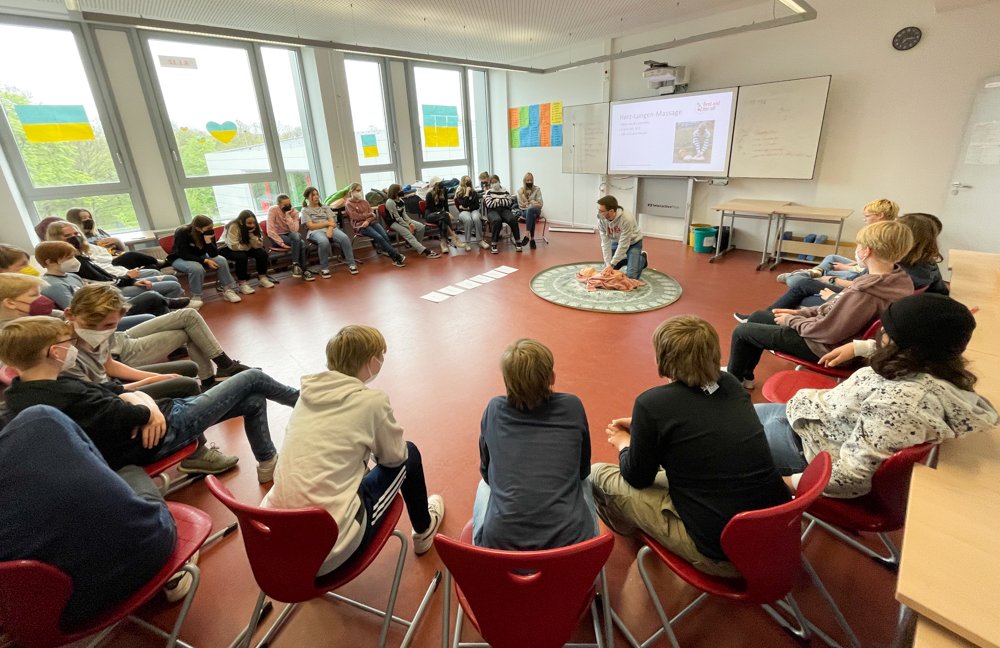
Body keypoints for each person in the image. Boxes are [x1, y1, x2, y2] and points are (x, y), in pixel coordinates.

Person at [590, 316, 791, 577]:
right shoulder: (729, 383)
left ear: (663, 358)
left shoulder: (652, 404)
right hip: (777, 534)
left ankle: (632, 530)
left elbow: (637, 477)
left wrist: (624, 443)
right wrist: (646, 427)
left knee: (598, 474)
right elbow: (696, 422)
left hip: (723, 555)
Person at [756, 293, 998, 498]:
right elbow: (906, 352)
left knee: (721, 443)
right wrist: (860, 347)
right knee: (729, 419)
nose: (880, 335)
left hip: (807, 452)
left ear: (902, 344)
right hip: (813, 421)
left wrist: (787, 484)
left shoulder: (899, 405)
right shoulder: (938, 367)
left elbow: (851, 478)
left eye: (886, 333)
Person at [0, 316, 299, 482]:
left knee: (254, 399)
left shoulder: (27, 389)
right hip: (159, 436)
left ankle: (267, 462)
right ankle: (310, 402)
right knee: (251, 378)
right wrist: (145, 408)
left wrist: (140, 399)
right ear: (54, 353)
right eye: (66, 343)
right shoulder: (62, 395)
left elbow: (116, 393)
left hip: (162, 419)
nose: (71, 347)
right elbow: (130, 414)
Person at [261, 325, 445, 575]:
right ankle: (424, 530)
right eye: (381, 356)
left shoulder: (306, 396)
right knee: (410, 453)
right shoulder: (371, 402)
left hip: (277, 542)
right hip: (331, 549)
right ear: (371, 361)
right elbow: (395, 458)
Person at [0, 406, 190, 628]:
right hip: (143, 556)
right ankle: (175, 569)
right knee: (129, 472)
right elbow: (104, 476)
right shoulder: (41, 419)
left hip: (40, 617)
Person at [726, 220, 915, 389]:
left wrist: (792, 321)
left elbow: (829, 331)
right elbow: (834, 308)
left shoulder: (866, 293)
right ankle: (745, 375)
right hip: (831, 335)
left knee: (742, 332)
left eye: (859, 244)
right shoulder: (896, 279)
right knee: (759, 316)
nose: (857, 249)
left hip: (826, 347)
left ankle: (731, 384)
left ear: (867, 251)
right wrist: (800, 313)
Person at [473, 339, 596, 550]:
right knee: (585, 481)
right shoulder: (572, 406)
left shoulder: (494, 409)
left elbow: (486, 472)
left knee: (485, 484)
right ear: (551, 377)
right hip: (574, 558)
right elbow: (583, 470)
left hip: (498, 559)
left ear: (506, 381)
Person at [742, 211, 949, 318]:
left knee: (800, 284)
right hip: (853, 293)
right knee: (811, 276)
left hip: (844, 302)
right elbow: (941, 293)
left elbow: (859, 291)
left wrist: (832, 284)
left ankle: (763, 315)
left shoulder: (898, 271)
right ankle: (768, 310)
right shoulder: (923, 266)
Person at [63, 285, 201, 400]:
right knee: (186, 385)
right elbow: (98, 394)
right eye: (90, 325)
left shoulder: (101, 332)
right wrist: (150, 380)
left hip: (111, 382)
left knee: (190, 367)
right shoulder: (63, 352)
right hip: (106, 396)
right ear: (70, 315)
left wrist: (157, 377)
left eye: (109, 325)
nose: (100, 331)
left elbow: (109, 366)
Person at [47, 220, 185, 301]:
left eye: (76, 234)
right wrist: (128, 278)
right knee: (172, 284)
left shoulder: (82, 255)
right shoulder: (73, 263)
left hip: (116, 280)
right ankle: (166, 307)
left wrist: (133, 280)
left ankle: (165, 305)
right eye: (68, 236)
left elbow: (104, 276)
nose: (74, 237)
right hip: (111, 291)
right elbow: (104, 283)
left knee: (164, 277)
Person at [776, 199, 899, 285]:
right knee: (832, 257)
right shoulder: (887, 230)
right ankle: (815, 272)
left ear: (880, 215)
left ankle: (809, 274)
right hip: (863, 267)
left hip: (860, 274)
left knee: (796, 280)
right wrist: (853, 265)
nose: (864, 219)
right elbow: (868, 261)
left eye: (867, 216)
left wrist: (846, 268)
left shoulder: (882, 235)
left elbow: (870, 266)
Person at [34, 241, 172, 318]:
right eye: (68, 258)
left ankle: (174, 343)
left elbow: (97, 293)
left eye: (73, 256)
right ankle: (168, 304)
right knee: (152, 297)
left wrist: (132, 282)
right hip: (100, 317)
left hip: (109, 306)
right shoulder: (54, 285)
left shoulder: (72, 276)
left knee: (153, 300)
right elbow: (76, 313)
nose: (74, 261)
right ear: (49, 262)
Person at [166, 215, 242, 307]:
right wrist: (205, 261)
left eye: (212, 226)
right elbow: (183, 253)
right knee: (197, 268)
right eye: (209, 227)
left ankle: (227, 290)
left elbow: (214, 254)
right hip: (179, 257)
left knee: (221, 260)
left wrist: (208, 242)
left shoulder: (209, 232)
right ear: (198, 228)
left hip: (200, 256)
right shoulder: (182, 231)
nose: (211, 229)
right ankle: (196, 296)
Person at [65, 207, 162, 269]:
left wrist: (117, 241)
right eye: (83, 218)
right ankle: (163, 262)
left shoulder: (99, 231)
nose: (88, 220)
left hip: (118, 254)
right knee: (131, 255)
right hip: (108, 261)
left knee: (151, 267)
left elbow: (121, 249)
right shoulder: (76, 238)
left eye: (89, 217)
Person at [344, 182, 407, 267]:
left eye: (360, 190)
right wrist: (368, 216)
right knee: (379, 237)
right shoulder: (348, 204)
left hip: (370, 222)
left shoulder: (365, 202)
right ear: (352, 191)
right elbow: (356, 217)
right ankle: (396, 257)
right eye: (357, 190)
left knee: (385, 235)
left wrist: (367, 220)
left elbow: (373, 215)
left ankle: (394, 255)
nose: (359, 192)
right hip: (361, 226)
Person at [301, 186, 358, 278]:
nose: (316, 197)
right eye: (313, 195)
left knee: (344, 238)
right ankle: (324, 268)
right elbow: (311, 226)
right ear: (307, 198)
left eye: (317, 194)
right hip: (315, 231)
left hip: (330, 229)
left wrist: (330, 230)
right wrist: (327, 223)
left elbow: (333, 222)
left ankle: (352, 264)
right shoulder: (305, 210)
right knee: (324, 242)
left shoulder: (325, 207)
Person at [221, 210, 276, 294]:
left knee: (262, 253)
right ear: (241, 222)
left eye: (253, 222)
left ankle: (262, 278)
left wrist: (251, 235)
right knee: (241, 257)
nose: (252, 225)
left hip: (245, 246)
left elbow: (259, 245)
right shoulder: (233, 226)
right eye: (249, 223)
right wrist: (248, 247)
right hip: (227, 247)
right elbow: (234, 246)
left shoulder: (254, 226)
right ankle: (242, 283)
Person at [383, 184, 440, 259]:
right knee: (409, 234)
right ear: (395, 192)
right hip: (393, 222)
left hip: (401, 220)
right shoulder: (390, 202)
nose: (402, 191)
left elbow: (404, 215)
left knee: (421, 227)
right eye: (400, 190)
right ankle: (426, 252)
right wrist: (408, 226)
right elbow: (397, 218)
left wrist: (410, 223)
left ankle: (417, 246)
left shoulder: (401, 201)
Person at [597, 195, 647, 279]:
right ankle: (628, 260)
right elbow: (605, 243)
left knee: (631, 277)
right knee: (608, 271)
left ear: (611, 211)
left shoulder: (626, 219)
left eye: (601, 211)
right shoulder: (601, 220)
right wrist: (609, 264)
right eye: (598, 210)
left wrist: (612, 264)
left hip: (633, 242)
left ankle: (642, 259)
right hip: (616, 242)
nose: (599, 213)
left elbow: (624, 244)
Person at [266, 194, 315, 280]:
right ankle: (304, 270)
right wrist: (281, 243)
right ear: (279, 205)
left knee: (297, 237)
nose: (288, 206)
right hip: (277, 237)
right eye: (285, 205)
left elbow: (294, 230)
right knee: (302, 243)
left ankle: (295, 264)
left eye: (290, 204)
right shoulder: (273, 210)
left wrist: (288, 216)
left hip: (290, 234)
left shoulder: (294, 212)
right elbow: (270, 231)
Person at [424, 178, 467, 253]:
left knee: (442, 221)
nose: (441, 186)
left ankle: (443, 243)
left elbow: (445, 205)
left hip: (441, 215)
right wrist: (446, 213)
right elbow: (432, 209)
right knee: (444, 215)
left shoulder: (444, 191)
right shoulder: (429, 194)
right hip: (430, 215)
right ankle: (453, 236)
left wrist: (447, 212)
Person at [482, 179, 522, 254]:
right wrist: (502, 200)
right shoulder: (488, 192)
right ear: (490, 184)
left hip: (504, 210)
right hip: (492, 211)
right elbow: (489, 204)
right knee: (497, 220)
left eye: (496, 182)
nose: (495, 184)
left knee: (513, 219)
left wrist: (497, 201)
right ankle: (494, 244)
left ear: (499, 182)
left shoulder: (505, 191)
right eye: (492, 182)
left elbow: (509, 202)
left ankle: (518, 241)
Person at [455, 175, 488, 250]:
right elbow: (464, 204)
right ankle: (467, 242)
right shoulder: (459, 193)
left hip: (473, 210)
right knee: (468, 220)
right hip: (463, 212)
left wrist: (468, 207)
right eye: (466, 180)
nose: (468, 182)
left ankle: (480, 240)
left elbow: (476, 205)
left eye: (469, 180)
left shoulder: (474, 193)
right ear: (463, 182)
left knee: (476, 218)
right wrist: (466, 193)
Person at [517, 172, 544, 249]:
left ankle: (527, 234)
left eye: (531, 180)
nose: (529, 182)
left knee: (531, 210)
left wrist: (530, 204)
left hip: (536, 210)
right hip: (524, 211)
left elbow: (541, 204)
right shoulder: (520, 191)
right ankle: (532, 240)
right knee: (532, 214)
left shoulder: (537, 189)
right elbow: (521, 205)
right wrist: (532, 203)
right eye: (527, 180)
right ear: (524, 181)